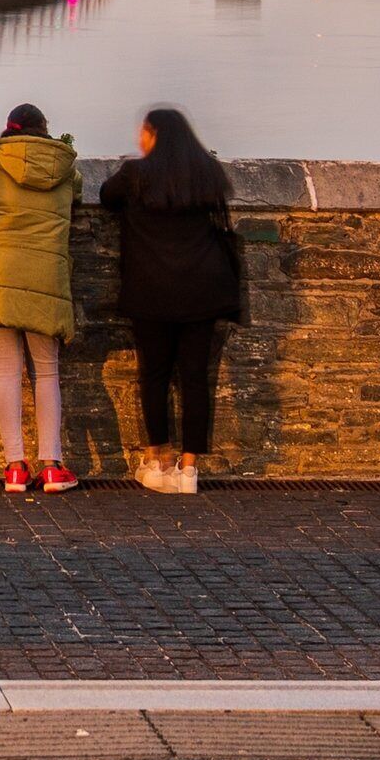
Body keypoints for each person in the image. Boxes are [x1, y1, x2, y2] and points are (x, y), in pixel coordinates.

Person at [102, 106, 243, 494]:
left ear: (154, 136)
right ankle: (190, 469)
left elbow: (105, 196)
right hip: (203, 289)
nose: (139, 139)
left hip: (152, 290)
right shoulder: (206, 174)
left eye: (143, 133)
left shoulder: (135, 175)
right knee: (196, 378)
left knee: (155, 374)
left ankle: (157, 460)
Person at [0, 103, 78, 495]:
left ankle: (14, 466)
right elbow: (77, 188)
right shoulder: (65, 169)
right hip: (44, 277)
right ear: (45, 131)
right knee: (46, 372)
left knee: (5, 372)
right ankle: (53, 465)